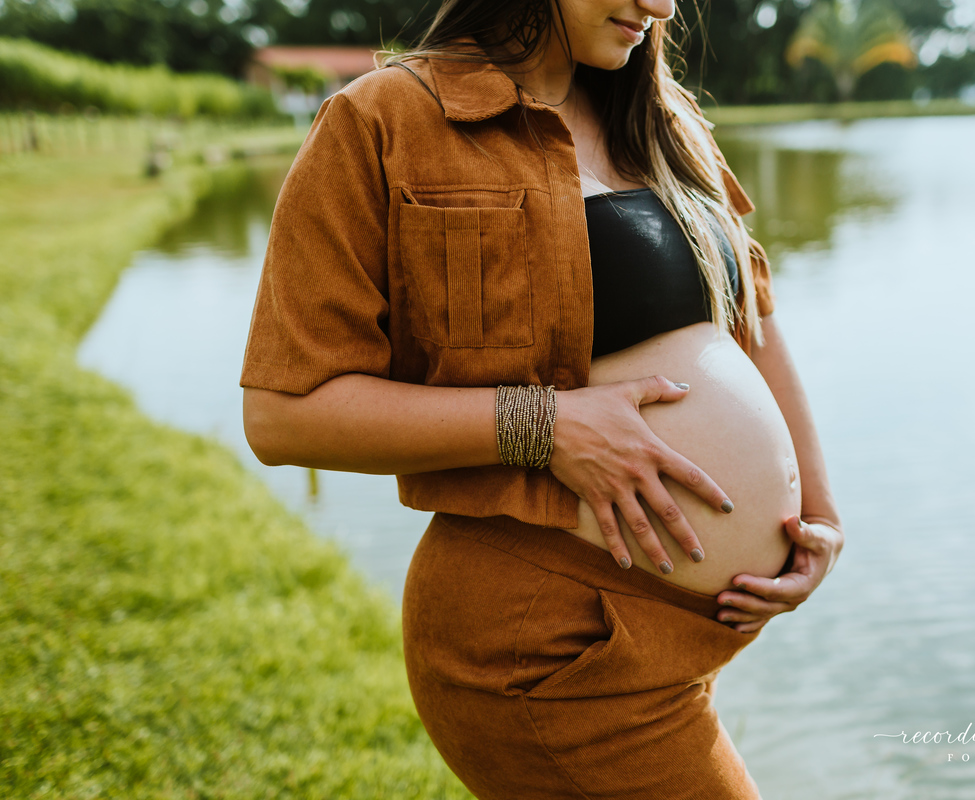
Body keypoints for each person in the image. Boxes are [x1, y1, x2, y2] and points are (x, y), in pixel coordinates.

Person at [240, 0, 843, 796]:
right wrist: (543, 425)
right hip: (544, 643)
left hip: (664, 634)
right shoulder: (384, 119)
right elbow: (286, 413)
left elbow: (754, 327)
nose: (659, 7)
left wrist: (819, 518)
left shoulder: (662, 118)